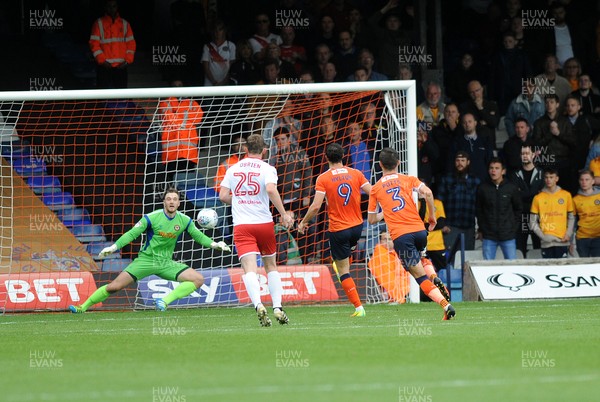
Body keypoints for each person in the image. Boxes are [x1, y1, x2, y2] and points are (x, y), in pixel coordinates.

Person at [69, 187, 231, 313]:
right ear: (164, 202)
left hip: (166, 263)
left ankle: (164, 301)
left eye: (175, 199)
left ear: (179, 203)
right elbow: (132, 233)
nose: (172, 202)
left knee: (198, 279)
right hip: (145, 261)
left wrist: (215, 244)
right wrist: (113, 247)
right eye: (169, 199)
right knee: (114, 287)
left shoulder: (185, 220)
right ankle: (82, 307)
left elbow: (199, 236)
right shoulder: (151, 217)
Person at [367, 147, 455, 320]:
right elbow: (428, 193)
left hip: (401, 236)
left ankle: (446, 306)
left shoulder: (376, 189)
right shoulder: (409, 179)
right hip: (420, 231)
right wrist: (431, 217)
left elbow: (371, 220)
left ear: (380, 165)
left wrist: (386, 212)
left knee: (419, 276)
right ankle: (435, 277)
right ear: (399, 163)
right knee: (421, 259)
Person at [218, 134, 294, 326]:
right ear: (264, 150)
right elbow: (270, 189)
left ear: (245, 149)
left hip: (242, 225)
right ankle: (277, 307)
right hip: (264, 224)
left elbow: (223, 196)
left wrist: (241, 201)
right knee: (271, 266)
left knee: (249, 268)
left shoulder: (233, 168)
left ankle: (258, 304)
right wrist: (284, 213)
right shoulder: (268, 168)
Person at [298, 143, 370, 317]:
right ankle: (344, 259)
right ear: (343, 156)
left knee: (342, 270)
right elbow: (373, 192)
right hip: (357, 227)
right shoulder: (356, 173)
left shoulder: (323, 178)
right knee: (345, 256)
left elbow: (315, 206)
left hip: (339, 228)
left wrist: (302, 223)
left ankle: (359, 308)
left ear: (326, 157)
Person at [476, 158, 522, 260]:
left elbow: (518, 209)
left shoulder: (511, 188)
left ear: (503, 171)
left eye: (497, 168)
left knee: (511, 265)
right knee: (487, 267)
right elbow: (479, 211)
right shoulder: (482, 188)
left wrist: (513, 228)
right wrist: (482, 229)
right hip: (489, 235)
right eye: (491, 168)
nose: (493, 171)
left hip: (508, 235)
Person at [437, 151, 480, 255]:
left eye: (463, 160)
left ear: (468, 162)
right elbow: (438, 203)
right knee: (450, 258)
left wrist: (480, 228)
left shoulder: (476, 181)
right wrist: (441, 224)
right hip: (451, 226)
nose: (460, 163)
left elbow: (480, 205)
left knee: (468, 258)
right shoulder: (446, 179)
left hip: (469, 226)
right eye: (457, 160)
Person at [530, 167, 575, 259]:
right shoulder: (538, 198)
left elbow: (571, 217)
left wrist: (568, 234)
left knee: (562, 272)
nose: (548, 180)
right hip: (546, 243)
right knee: (548, 271)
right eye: (546, 177)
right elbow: (532, 222)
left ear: (556, 179)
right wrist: (543, 236)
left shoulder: (566, 195)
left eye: (551, 177)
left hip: (562, 241)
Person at [89, 0, 136, 89]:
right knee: (102, 97)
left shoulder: (125, 24)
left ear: (117, 7)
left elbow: (131, 44)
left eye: (114, 6)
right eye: (109, 6)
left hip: (121, 67)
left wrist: (126, 61)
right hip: (104, 67)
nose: (112, 9)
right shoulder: (98, 23)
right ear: (105, 8)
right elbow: (94, 44)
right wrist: (102, 61)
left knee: (121, 97)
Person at [158, 90, 204, 180]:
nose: (178, 88)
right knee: (171, 182)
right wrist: (185, 117)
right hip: (171, 154)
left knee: (187, 181)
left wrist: (176, 114)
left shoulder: (192, 103)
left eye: (180, 86)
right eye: (175, 86)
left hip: (189, 154)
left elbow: (198, 118)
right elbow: (167, 118)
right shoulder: (165, 102)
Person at [509, 144, 544, 258]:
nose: (525, 156)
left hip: (537, 216)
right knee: (520, 247)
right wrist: (534, 194)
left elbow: (543, 196)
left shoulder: (541, 173)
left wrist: (522, 193)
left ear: (533, 155)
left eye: (527, 153)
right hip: (521, 215)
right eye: (523, 154)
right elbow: (515, 195)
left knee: (538, 246)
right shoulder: (514, 174)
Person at [368, 230, 410, 303]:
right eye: (385, 239)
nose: (387, 242)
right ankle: (397, 297)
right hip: (389, 285)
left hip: (405, 284)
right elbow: (386, 275)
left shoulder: (399, 252)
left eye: (390, 239)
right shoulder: (380, 251)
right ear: (380, 241)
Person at [451, 112, 494, 182]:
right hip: (464, 182)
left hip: (483, 180)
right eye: (465, 122)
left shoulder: (485, 141)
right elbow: (452, 162)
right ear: (462, 125)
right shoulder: (457, 142)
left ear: (475, 123)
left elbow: (490, 160)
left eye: (470, 121)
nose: (467, 124)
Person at [571, 170, 600, 257]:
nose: (584, 182)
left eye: (587, 179)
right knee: (584, 266)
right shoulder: (575, 199)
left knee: (597, 267)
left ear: (593, 181)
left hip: (598, 237)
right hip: (582, 238)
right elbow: (572, 221)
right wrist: (570, 242)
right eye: (582, 180)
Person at [201, 20, 236, 86]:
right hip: (209, 84)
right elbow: (206, 67)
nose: (217, 33)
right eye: (215, 30)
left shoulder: (231, 45)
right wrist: (214, 82)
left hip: (225, 84)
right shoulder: (207, 46)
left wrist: (223, 82)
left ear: (224, 31)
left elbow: (232, 67)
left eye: (220, 30)